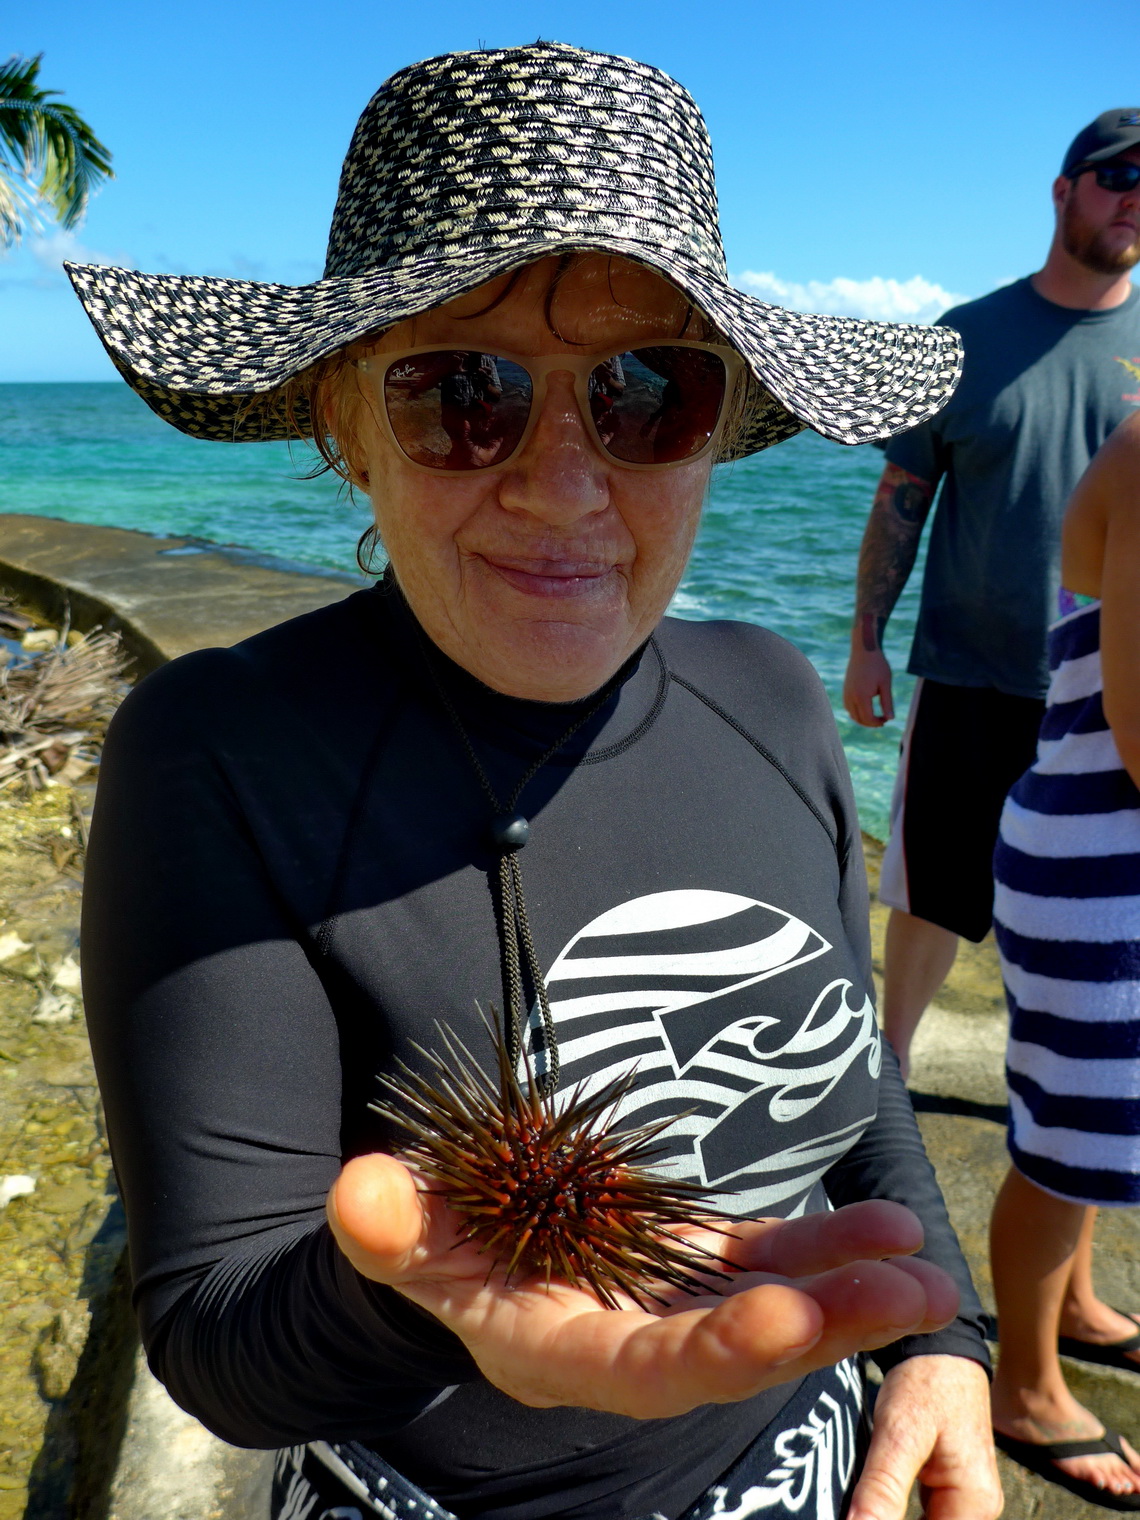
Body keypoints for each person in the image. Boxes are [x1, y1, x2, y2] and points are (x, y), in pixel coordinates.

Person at [68, 44, 1000, 1520]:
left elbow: (855, 1064)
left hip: (818, 1463)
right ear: (347, 425)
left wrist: (943, 1337)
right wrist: (421, 1297)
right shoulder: (221, 753)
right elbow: (215, 1337)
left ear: (722, 428)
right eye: (462, 393)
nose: (563, 484)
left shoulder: (769, 692)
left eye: (648, 392)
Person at [843, 108, 1140, 1079]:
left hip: (1114, 699)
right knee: (931, 894)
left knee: (1091, 916)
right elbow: (901, 501)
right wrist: (864, 641)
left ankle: (1061, 1081)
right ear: (1063, 190)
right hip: (971, 675)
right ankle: (890, 1064)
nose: (1134, 198)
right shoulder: (966, 338)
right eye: (1118, 173)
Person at [989, 411, 1140, 1510]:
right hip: (1102, 869)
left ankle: (1076, 1309)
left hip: (1092, 851)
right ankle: (1025, 1385)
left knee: (1078, 1138)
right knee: (1063, 1148)